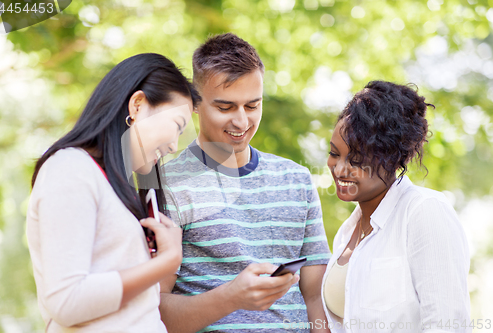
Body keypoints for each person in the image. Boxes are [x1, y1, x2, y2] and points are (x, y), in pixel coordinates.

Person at [159, 33, 331, 333]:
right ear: (194, 103)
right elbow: (155, 312)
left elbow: (315, 298)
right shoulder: (167, 184)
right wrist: (231, 297)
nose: (241, 122)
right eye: (225, 107)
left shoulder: (297, 180)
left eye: (252, 106)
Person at [26, 53, 199, 332]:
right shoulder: (71, 168)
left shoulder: (119, 190)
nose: (174, 146)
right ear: (138, 105)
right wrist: (165, 263)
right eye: (177, 126)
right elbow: (66, 301)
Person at [321, 81, 471, 332]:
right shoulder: (346, 234)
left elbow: (448, 324)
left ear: (390, 160)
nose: (339, 169)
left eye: (356, 160)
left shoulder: (424, 213)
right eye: (335, 153)